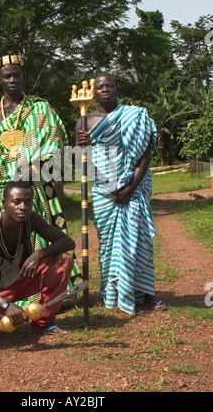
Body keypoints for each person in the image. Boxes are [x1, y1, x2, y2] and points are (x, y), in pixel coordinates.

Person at [0, 52, 82, 292]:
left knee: (47, 236)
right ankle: (15, 292)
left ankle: (52, 289)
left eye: (16, 75)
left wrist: (33, 169)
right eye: (7, 76)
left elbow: (57, 144)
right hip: (5, 191)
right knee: (11, 242)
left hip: (38, 188)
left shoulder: (41, 107)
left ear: (24, 76)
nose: (12, 80)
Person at [76, 72, 167, 315]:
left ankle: (148, 295)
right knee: (106, 243)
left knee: (139, 241)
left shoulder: (135, 116)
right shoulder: (85, 121)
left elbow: (145, 154)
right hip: (102, 190)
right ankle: (109, 290)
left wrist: (131, 187)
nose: (105, 89)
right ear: (93, 92)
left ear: (117, 88)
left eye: (110, 85)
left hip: (133, 188)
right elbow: (80, 162)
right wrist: (81, 145)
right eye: (100, 86)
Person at [0, 180, 75, 339]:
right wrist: (6, 304)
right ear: (4, 203)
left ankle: (44, 323)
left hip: (21, 280)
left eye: (28, 202)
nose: (23, 207)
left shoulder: (30, 219)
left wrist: (40, 254)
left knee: (63, 261)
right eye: (17, 202)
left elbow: (67, 242)